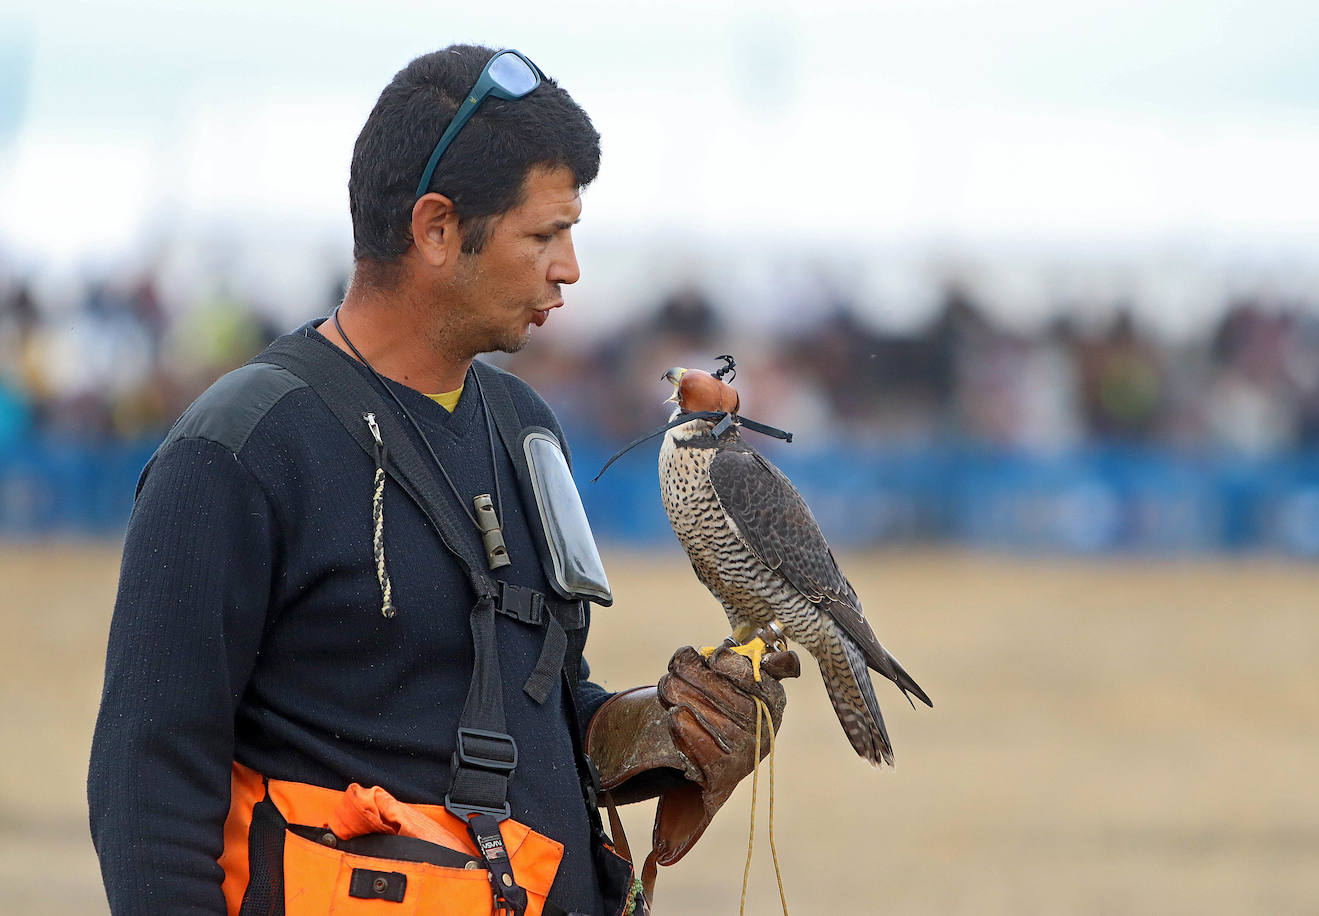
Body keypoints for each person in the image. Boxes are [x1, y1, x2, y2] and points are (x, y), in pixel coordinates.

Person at [88, 43, 795, 915]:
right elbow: (148, 781)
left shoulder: (527, 428)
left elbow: (533, 711)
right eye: (544, 234)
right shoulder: (239, 450)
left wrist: (661, 731)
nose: (570, 267)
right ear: (435, 228)